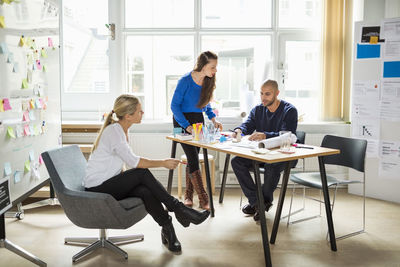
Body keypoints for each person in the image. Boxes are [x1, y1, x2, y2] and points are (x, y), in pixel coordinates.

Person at [85, 94, 210, 253]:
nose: (142, 113)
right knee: (140, 173)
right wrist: (163, 163)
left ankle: (168, 230)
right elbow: (135, 162)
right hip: (96, 188)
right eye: (139, 111)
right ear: (129, 116)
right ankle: (179, 209)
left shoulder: (120, 129)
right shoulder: (114, 132)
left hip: (108, 184)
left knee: (145, 191)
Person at [231, 79, 298, 221]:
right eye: (261, 93)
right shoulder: (258, 109)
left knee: (271, 166)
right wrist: (239, 130)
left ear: (277, 93)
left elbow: (287, 135)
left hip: (284, 155)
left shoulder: (289, 110)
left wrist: (265, 135)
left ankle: (259, 203)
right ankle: (258, 203)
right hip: (262, 153)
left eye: (267, 94)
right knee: (237, 162)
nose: (263, 97)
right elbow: (247, 125)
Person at [171, 51, 223, 210]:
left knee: (192, 156)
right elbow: (174, 106)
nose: (215, 70)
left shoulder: (208, 81)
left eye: (215, 67)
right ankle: (203, 198)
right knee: (193, 157)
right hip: (181, 121)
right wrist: (186, 126)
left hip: (197, 120)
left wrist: (213, 118)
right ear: (203, 65)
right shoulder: (185, 81)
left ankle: (188, 195)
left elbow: (205, 104)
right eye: (212, 67)